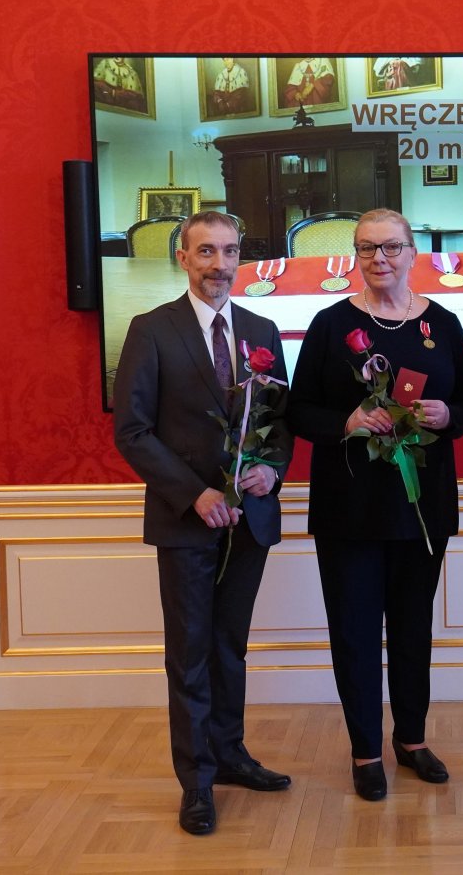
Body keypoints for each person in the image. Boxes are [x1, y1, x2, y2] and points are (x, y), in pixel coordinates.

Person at [289, 209, 463, 801]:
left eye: (392, 247)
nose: (380, 258)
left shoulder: (443, 323)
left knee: (413, 628)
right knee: (353, 632)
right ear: (355, 255)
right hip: (349, 509)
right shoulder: (330, 324)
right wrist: (347, 420)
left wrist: (447, 415)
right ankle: (366, 751)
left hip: (422, 507)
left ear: (413, 252)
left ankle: (412, 741)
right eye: (368, 248)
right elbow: (298, 410)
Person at [114, 211, 293, 836]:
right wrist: (195, 494)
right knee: (189, 653)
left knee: (229, 646)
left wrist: (270, 470)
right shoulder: (151, 329)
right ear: (184, 258)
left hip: (250, 519)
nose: (220, 264)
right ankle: (196, 782)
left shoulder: (261, 330)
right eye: (207, 251)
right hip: (186, 519)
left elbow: (280, 422)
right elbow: (132, 430)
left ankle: (230, 755)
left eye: (230, 251)